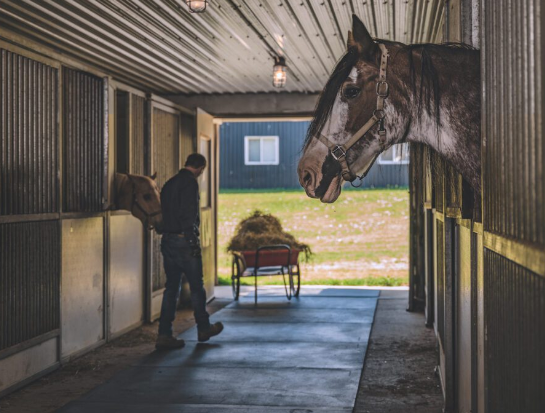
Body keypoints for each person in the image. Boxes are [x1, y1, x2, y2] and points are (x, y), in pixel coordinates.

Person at [156, 153, 223, 350]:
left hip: (168, 240)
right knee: (196, 287)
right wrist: (192, 241)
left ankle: (164, 334)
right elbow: (188, 214)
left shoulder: (169, 183)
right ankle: (203, 328)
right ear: (201, 168)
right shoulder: (190, 183)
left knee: (171, 288)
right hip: (184, 241)